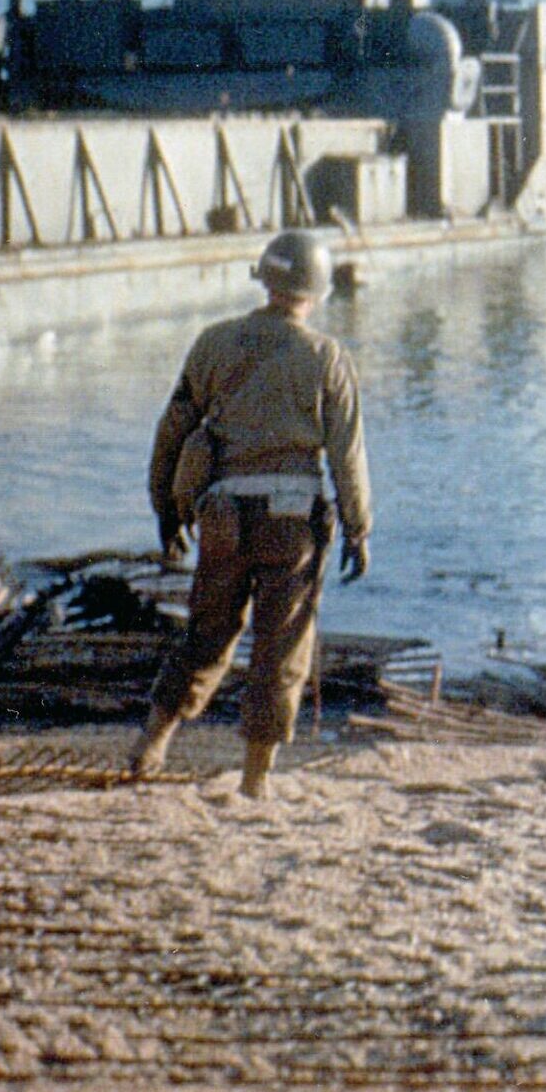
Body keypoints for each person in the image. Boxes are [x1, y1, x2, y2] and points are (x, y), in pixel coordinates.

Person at [127, 230, 371, 799]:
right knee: (281, 648)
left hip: (222, 515)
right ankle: (256, 781)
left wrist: (165, 509)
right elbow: (346, 454)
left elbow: (172, 431)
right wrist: (359, 528)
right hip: (294, 522)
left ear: (264, 279)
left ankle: (151, 744)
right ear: (317, 291)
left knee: (207, 633)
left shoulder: (214, 343)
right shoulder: (327, 357)